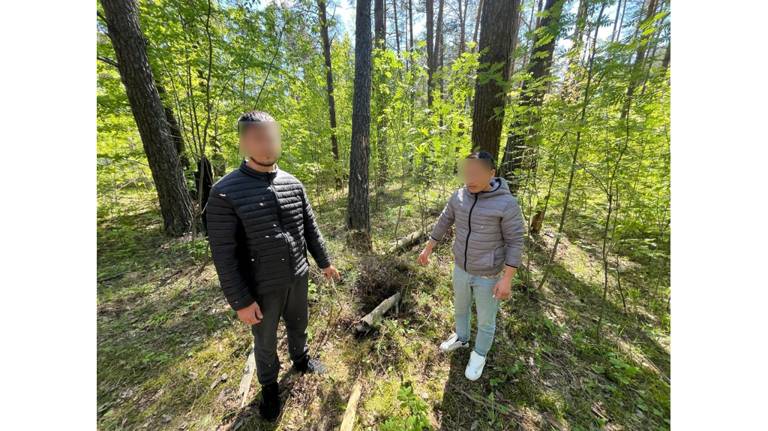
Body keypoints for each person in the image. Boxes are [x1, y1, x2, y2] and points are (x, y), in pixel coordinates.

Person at [206, 111, 340, 421]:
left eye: (271, 137)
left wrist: (325, 262)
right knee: (264, 341)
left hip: (297, 275)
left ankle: (301, 359)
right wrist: (241, 301)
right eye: (257, 138)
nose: (266, 144)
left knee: (298, 323)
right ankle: (268, 388)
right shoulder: (225, 192)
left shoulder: (293, 183)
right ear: (243, 143)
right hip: (260, 286)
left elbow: (309, 227)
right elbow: (224, 254)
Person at [417, 151, 525, 381]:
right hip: (461, 268)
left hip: (489, 275)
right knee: (460, 308)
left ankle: (479, 354)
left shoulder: (506, 204)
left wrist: (507, 278)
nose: (471, 178)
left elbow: (515, 242)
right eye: (467, 173)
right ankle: (462, 338)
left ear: (492, 173)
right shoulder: (459, 196)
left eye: (477, 173)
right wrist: (428, 248)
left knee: (486, 320)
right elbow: (444, 220)